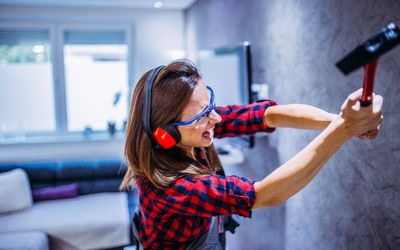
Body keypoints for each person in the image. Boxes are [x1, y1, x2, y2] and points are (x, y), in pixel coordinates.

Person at [120, 59, 383, 249]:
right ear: (165, 134)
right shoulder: (168, 187)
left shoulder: (195, 127)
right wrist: (344, 129)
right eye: (202, 115)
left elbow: (265, 116)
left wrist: (336, 120)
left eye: (209, 102)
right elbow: (265, 194)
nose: (216, 117)